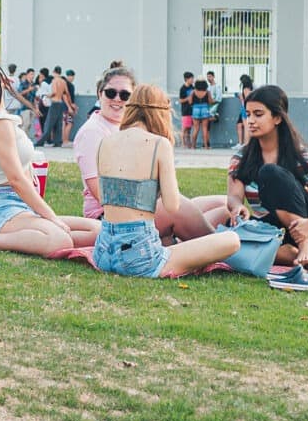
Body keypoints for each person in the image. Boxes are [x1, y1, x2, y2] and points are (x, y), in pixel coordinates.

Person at [0, 52, 99, 254]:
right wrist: (50, 216)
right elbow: (16, 179)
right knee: (58, 239)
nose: (6, 80)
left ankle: (36, 236)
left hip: (21, 206)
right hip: (3, 207)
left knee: (99, 230)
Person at [92, 84, 240, 277]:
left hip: (103, 251)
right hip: (139, 256)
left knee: (173, 241)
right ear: (161, 113)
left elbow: (105, 197)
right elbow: (172, 205)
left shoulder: (106, 142)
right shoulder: (159, 144)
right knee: (232, 240)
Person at [74, 64, 228, 240]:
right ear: (99, 94)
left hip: (142, 209)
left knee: (223, 204)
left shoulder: (127, 129)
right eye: (110, 93)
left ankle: (200, 239)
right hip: (111, 218)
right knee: (181, 209)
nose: (117, 99)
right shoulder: (93, 132)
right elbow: (103, 195)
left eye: (125, 95)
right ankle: (222, 247)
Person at [227, 85, 308, 292]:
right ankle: (292, 255)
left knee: (270, 173)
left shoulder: (300, 156)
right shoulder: (241, 158)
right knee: (229, 232)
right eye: (248, 114)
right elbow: (234, 198)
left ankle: (304, 245)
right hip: (273, 233)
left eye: (258, 114)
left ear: (277, 118)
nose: (251, 120)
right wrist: (236, 208)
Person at [36, 66, 70, 147]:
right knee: (58, 124)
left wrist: (48, 96)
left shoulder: (55, 81)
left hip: (54, 103)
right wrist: (69, 104)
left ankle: (40, 142)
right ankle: (57, 142)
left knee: (48, 124)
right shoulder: (63, 81)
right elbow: (66, 93)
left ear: (54, 72)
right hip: (60, 103)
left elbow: (54, 92)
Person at [190, 79, 215, 149]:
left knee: (196, 128)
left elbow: (190, 102)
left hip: (195, 109)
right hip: (205, 108)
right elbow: (210, 102)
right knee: (205, 128)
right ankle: (206, 146)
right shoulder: (207, 92)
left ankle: (193, 146)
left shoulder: (193, 92)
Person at [234, 74, 253, 148]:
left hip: (245, 108)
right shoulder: (251, 88)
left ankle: (246, 143)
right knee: (246, 126)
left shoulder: (245, 89)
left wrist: (241, 98)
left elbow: (246, 99)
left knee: (246, 126)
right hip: (247, 107)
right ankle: (246, 143)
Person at [61, 69, 78, 146]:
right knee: (69, 123)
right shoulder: (69, 85)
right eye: (70, 76)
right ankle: (65, 141)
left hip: (64, 106)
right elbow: (65, 96)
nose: (72, 78)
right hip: (66, 107)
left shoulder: (65, 84)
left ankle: (64, 141)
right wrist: (70, 107)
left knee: (65, 123)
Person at [177, 72, 195, 148]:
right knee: (184, 128)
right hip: (185, 110)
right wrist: (188, 98)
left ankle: (189, 144)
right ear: (187, 79)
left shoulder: (192, 87)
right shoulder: (182, 88)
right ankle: (183, 143)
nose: (193, 80)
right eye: (191, 78)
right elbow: (180, 100)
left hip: (192, 110)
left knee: (189, 129)